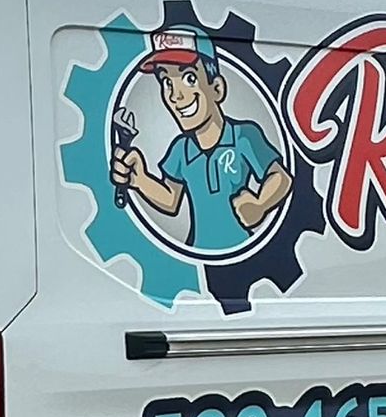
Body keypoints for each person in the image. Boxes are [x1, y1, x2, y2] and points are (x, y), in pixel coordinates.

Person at [109, 25, 291, 251]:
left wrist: (260, 204)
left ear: (216, 88)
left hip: (242, 253)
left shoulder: (243, 135)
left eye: (189, 78)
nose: (176, 95)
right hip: (198, 248)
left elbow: (281, 177)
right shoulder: (180, 149)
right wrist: (140, 180)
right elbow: (171, 200)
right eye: (167, 83)